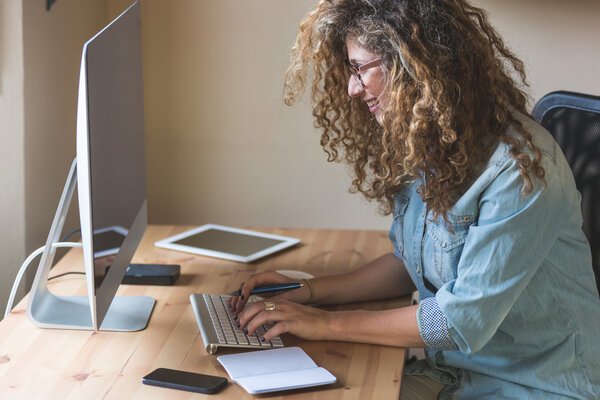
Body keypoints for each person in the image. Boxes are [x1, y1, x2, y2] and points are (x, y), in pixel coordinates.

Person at [228, 0, 600, 398]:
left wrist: (323, 324)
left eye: (359, 68)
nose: (352, 89)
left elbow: (457, 322)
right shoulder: (433, 143)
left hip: (536, 387)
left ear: (410, 64)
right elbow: (411, 266)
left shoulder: (519, 169)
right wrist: (309, 292)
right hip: (453, 376)